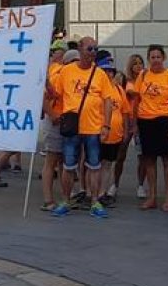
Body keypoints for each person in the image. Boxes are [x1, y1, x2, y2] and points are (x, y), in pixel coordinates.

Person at [47, 37, 114, 218]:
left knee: (94, 165)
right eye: (90, 49)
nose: (93, 52)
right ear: (80, 49)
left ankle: (95, 201)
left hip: (93, 127)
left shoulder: (99, 74)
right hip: (72, 127)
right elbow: (55, 94)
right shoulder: (66, 71)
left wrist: (106, 125)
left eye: (95, 49)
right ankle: (66, 200)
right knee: (69, 166)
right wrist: (46, 83)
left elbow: (108, 100)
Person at [128, 45, 168, 211]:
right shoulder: (143, 75)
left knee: (167, 160)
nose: (156, 60)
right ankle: (151, 196)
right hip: (146, 121)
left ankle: (167, 198)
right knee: (149, 160)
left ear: (164, 58)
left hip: (165, 120)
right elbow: (137, 100)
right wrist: (135, 123)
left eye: (158, 57)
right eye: (152, 57)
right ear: (149, 59)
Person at [39, 46, 74, 211]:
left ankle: (66, 197)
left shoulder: (72, 76)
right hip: (56, 122)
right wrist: (53, 115)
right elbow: (45, 97)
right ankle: (48, 199)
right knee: (51, 160)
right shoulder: (59, 74)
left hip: (69, 122)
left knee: (65, 162)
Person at [97, 55, 130, 205]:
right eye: (105, 71)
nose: (108, 74)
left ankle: (103, 192)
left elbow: (125, 111)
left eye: (110, 71)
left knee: (108, 164)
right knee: (94, 164)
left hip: (115, 134)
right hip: (98, 133)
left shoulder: (118, 89)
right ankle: (92, 192)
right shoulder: (96, 89)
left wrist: (126, 131)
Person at [112, 53, 145, 199]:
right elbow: (129, 94)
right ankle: (114, 184)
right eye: (135, 63)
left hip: (141, 120)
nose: (138, 66)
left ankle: (141, 185)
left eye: (140, 63)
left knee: (142, 155)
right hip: (126, 120)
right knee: (120, 154)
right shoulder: (125, 81)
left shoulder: (146, 80)